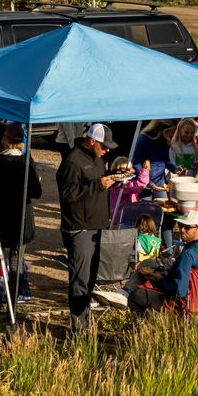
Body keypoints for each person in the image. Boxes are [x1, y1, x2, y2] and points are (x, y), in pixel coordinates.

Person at [57, 123, 122, 333]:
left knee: (92, 277)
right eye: (104, 146)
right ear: (92, 140)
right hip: (80, 228)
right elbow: (67, 194)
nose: (108, 150)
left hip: (97, 226)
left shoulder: (98, 158)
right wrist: (97, 185)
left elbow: (97, 182)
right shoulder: (72, 161)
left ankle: (85, 321)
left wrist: (116, 176)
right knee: (80, 279)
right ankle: (78, 327)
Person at [0, 124, 42, 307]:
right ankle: (12, 306)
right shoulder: (24, 164)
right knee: (15, 261)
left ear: (5, 140)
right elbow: (36, 192)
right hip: (19, 218)